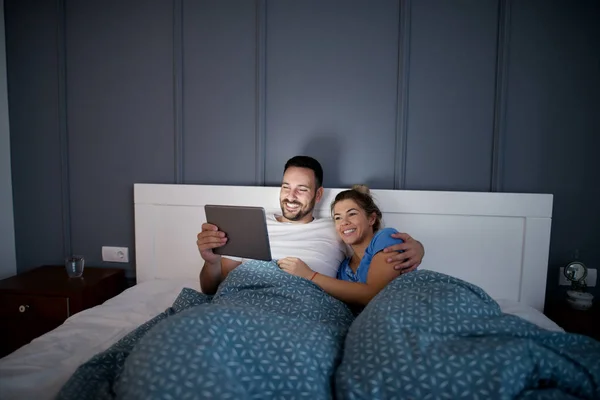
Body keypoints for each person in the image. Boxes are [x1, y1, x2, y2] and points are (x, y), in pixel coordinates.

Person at [198, 155, 425, 295]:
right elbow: (212, 289)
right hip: (241, 302)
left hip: (304, 307)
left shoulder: (335, 228)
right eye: (286, 187)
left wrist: (417, 247)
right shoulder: (250, 222)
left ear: (318, 195)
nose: (291, 196)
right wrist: (211, 262)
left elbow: (370, 247)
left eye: (302, 189)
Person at [278, 184, 407, 309]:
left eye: (352, 214)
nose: (344, 222)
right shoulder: (343, 270)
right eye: (338, 218)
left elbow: (374, 295)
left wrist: (309, 275)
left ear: (371, 219)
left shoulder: (386, 237)